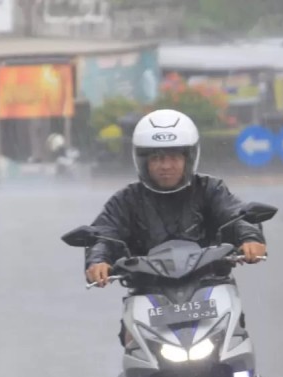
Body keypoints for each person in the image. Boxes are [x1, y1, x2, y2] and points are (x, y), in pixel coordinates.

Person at [84, 108, 266, 288]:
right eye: (156, 158)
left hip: (210, 286)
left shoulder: (210, 189)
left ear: (188, 158)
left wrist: (250, 238)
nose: (166, 166)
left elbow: (236, 214)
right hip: (147, 293)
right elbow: (104, 233)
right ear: (142, 161)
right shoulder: (125, 200)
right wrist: (98, 260)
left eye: (174, 157)